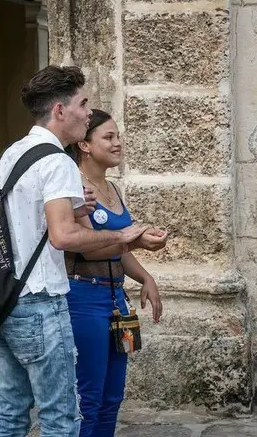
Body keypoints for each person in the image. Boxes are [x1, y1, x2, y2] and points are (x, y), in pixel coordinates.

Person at [0, 65, 149, 436]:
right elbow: (63, 237)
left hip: (5, 299)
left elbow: (24, 224)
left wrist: (77, 211)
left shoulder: (12, 154)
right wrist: (124, 236)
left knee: (10, 414)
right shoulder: (57, 160)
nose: (88, 112)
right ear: (60, 111)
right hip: (41, 302)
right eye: (83, 103)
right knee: (61, 417)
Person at [65, 109, 167, 437]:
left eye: (117, 136)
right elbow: (89, 248)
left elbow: (119, 250)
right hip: (83, 299)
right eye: (108, 137)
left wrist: (146, 278)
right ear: (84, 144)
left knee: (113, 397)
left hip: (116, 303)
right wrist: (135, 239)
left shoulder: (111, 188)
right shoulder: (76, 189)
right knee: (89, 398)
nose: (117, 143)